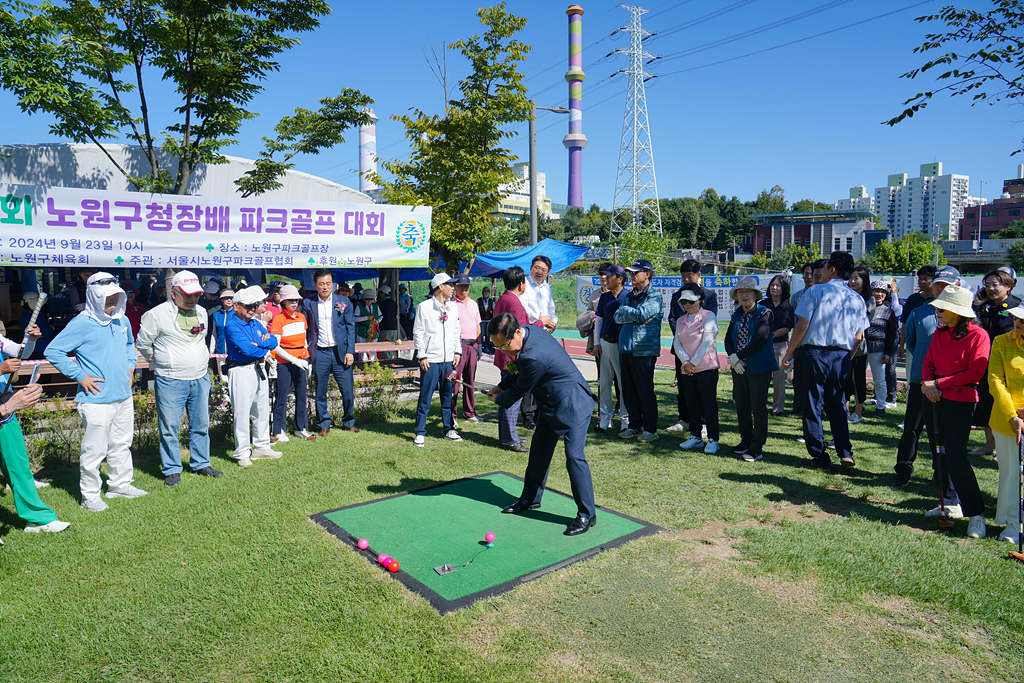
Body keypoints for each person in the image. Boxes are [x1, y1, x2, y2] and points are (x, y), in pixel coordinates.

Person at [486, 313, 598, 536]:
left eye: (505, 345)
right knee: (538, 452)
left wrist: (499, 398)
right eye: (498, 347)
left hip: (573, 405)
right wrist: (500, 385)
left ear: (517, 332)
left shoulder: (533, 357)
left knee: (574, 458)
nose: (504, 351)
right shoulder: (529, 332)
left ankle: (587, 514)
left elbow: (519, 390)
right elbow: (516, 368)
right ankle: (529, 499)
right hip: (551, 405)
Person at [46, 272, 146, 511]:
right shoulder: (81, 323)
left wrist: (131, 367)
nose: (112, 302)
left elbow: (130, 345)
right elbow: (53, 351)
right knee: (94, 450)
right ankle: (90, 496)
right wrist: (81, 376)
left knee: (121, 443)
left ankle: (120, 485)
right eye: (107, 298)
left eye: (115, 297)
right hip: (95, 399)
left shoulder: (121, 320)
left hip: (123, 395)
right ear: (93, 296)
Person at [783, 251, 869, 470]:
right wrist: (847, 357)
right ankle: (844, 451)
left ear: (832, 270)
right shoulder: (857, 298)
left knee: (812, 405)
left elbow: (802, 326)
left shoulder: (816, 291)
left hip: (814, 354)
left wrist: (790, 352)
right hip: (841, 355)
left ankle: (820, 456)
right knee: (837, 404)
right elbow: (859, 337)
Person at [136, 270, 222, 487]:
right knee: (170, 427)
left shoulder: (201, 312)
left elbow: (201, 339)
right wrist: (163, 361)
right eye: (187, 294)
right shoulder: (156, 315)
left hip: (200, 377)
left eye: (196, 294)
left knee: (201, 423)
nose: (193, 298)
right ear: (173, 293)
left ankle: (201, 463)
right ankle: (172, 469)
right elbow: (143, 345)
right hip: (171, 379)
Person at [921, 284, 991, 538]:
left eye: (943, 308)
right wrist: (930, 387)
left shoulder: (978, 335)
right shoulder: (940, 333)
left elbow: (975, 372)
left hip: (960, 401)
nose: (937, 311)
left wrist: (939, 384)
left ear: (959, 312)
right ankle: (949, 504)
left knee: (956, 457)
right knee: (939, 453)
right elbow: (928, 362)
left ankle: (976, 514)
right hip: (933, 399)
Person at [894, 266, 960, 488]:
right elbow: (911, 342)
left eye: (947, 286)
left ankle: (941, 474)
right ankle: (903, 469)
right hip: (920, 381)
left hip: (949, 384)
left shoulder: (963, 317)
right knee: (912, 428)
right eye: (938, 284)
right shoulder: (919, 313)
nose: (941, 289)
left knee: (942, 433)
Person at [0, 325, 70, 534]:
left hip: (4, 407)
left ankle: (37, 519)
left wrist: (29, 340)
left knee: (18, 464)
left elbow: (21, 352)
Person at [492, 267, 550, 452]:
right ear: (521, 284)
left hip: (504, 353)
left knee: (505, 393)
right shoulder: (514, 303)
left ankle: (508, 436)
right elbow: (522, 330)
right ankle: (509, 439)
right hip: (511, 355)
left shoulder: (502, 299)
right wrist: (541, 323)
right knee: (512, 396)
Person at [970, 268, 1021, 455]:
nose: (990, 288)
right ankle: (990, 445)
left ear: (1009, 287)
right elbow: (974, 328)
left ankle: (1006, 448)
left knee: (1006, 404)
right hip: (986, 362)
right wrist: (977, 305)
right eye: (987, 285)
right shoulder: (984, 307)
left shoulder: (1018, 307)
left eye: (995, 285)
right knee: (986, 402)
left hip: (1010, 365)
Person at [725, 277, 777, 461]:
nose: (744, 295)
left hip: (758, 367)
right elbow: (728, 339)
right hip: (739, 368)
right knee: (742, 405)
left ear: (756, 294)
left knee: (758, 407)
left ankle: (757, 447)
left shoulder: (765, 313)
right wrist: (733, 358)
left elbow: (762, 338)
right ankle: (745, 440)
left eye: (748, 292)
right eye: (740, 292)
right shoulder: (736, 314)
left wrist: (738, 356)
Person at [302, 269, 358, 437]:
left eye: (328, 283)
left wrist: (350, 351)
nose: (325, 287)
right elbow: (305, 328)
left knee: (347, 391)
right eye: (321, 284)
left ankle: (349, 421)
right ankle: (324, 424)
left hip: (340, 352)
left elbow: (350, 329)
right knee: (320, 391)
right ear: (315, 285)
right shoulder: (308, 303)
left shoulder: (344, 301)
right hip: (320, 352)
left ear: (332, 284)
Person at [666, 259, 719, 432]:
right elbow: (673, 319)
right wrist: (684, 337)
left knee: (705, 389)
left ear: (699, 276)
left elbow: (709, 322)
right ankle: (684, 419)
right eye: (683, 277)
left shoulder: (709, 295)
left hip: (702, 353)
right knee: (684, 386)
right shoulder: (676, 296)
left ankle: (703, 423)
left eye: (690, 276)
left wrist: (692, 337)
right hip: (682, 352)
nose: (686, 280)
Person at [614, 259, 663, 442]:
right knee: (628, 390)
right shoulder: (629, 295)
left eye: (635, 273)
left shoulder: (654, 296)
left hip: (644, 350)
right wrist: (632, 314)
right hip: (625, 348)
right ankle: (635, 426)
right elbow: (617, 317)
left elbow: (642, 314)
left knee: (645, 390)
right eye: (631, 273)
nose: (632, 276)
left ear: (647, 274)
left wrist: (628, 312)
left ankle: (650, 429)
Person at [988, 303, 1024, 543]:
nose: (1016, 322)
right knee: (1011, 473)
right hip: (1005, 420)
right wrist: (1013, 416)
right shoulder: (1001, 341)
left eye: (1021, 320)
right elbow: (995, 380)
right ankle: (1012, 524)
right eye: (1015, 318)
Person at [412, 273, 461, 447]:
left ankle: (449, 428)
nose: (453, 288)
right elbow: (418, 333)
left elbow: (456, 330)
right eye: (450, 285)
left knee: (448, 395)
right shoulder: (424, 307)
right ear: (441, 286)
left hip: (448, 360)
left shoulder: (453, 307)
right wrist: (422, 355)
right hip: (431, 360)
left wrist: (458, 352)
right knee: (425, 396)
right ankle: (420, 431)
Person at [674, 283, 722, 454]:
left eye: (691, 301)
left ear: (700, 299)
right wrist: (686, 362)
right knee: (691, 403)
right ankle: (695, 436)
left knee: (708, 404)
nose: (687, 305)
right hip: (687, 369)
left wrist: (692, 363)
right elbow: (677, 343)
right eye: (684, 302)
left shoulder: (708, 316)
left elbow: (708, 340)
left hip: (706, 368)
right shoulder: (680, 320)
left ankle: (713, 439)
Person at [269, 285, 316, 443]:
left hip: (302, 360)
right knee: (282, 396)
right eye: (290, 300)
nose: (294, 303)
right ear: (283, 301)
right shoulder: (278, 319)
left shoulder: (302, 317)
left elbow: (303, 340)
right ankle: (278, 429)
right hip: (284, 362)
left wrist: (306, 360)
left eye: (296, 300)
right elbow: (275, 345)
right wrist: (293, 359)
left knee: (302, 395)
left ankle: (300, 428)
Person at [594, 264, 629, 434]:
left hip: (621, 346)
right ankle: (604, 419)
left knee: (623, 385)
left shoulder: (629, 296)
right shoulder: (604, 297)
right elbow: (598, 320)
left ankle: (625, 420)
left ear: (620, 279)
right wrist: (596, 343)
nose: (605, 279)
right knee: (605, 384)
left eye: (609, 276)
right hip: (605, 344)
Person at [450, 274, 482, 424]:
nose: (464, 289)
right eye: (461, 286)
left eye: (466, 286)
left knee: (470, 380)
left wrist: (479, 344)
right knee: (455, 380)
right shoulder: (451, 304)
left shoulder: (474, 304)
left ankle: (469, 412)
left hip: (472, 345)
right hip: (458, 345)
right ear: (455, 287)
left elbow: (478, 325)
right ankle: (452, 414)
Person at [761, 274, 794, 415]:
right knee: (761, 378)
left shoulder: (788, 306)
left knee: (780, 378)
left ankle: (778, 408)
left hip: (780, 345)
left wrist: (771, 335)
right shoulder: (762, 304)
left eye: (778, 285)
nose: (774, 287)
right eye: (773, 285)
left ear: (784, 288)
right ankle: (759, 405)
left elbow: (788, 327)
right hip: (762, 346)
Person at [866, 280, 898, 418]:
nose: (879, 294)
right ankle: (858, 405)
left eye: (882, 292)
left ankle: (880, 407)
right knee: (857, 378)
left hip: (878, 348)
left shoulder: (888, 311)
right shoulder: (864, 307)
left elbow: (892, 334)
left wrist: (888, 353)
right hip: (861, 347)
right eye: (876, 291)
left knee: (879, 380)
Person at [789, 262, 816, 417]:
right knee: (797, 375)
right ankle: (797, 403)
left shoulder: (821, 294)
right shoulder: (796, 296)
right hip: (798, 341)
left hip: (814, 342)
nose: (809, 277)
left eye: (812, 274)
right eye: (806, 274)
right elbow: (793, 320)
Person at [845, 266, 871, 424]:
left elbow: (866, 325)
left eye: (857, 278)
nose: (853, 281)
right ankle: (845, 410)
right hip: (843, 344)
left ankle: (858, 412)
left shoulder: (869, 300)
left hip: (859, 347)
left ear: (864, 281)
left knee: (858, 379)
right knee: (845, 380)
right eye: (851, 278)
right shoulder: (845, 296)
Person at [207, 288, 235, 378]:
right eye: (226, 297)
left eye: (231, 297)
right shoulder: (216, 315)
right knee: (223, 377)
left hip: (235, 350)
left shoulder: (237, 313)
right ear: (221, 300)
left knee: (233, 377)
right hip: (221, 349)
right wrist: (212, 349)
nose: (229, 300)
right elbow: (214, 333)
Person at [18, 292, 54, 359]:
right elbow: (33, 333)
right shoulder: (26, 317)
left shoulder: (38, 314)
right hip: (35, 350)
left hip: (44, 348)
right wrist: (50, 329)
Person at [354, 288, 381, 362]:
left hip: (373, 331)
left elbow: (381, 316)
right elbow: (355, 318)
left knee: (373, 349)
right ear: (364, 299)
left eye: (371, 299)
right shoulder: (359, 307)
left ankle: (372, 365)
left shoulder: (376, 306)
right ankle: (362, 365)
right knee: (362, 350)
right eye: (367, 299)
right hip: (362, 330)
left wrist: (378, 321)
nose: (369, 301)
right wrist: (366, 318)